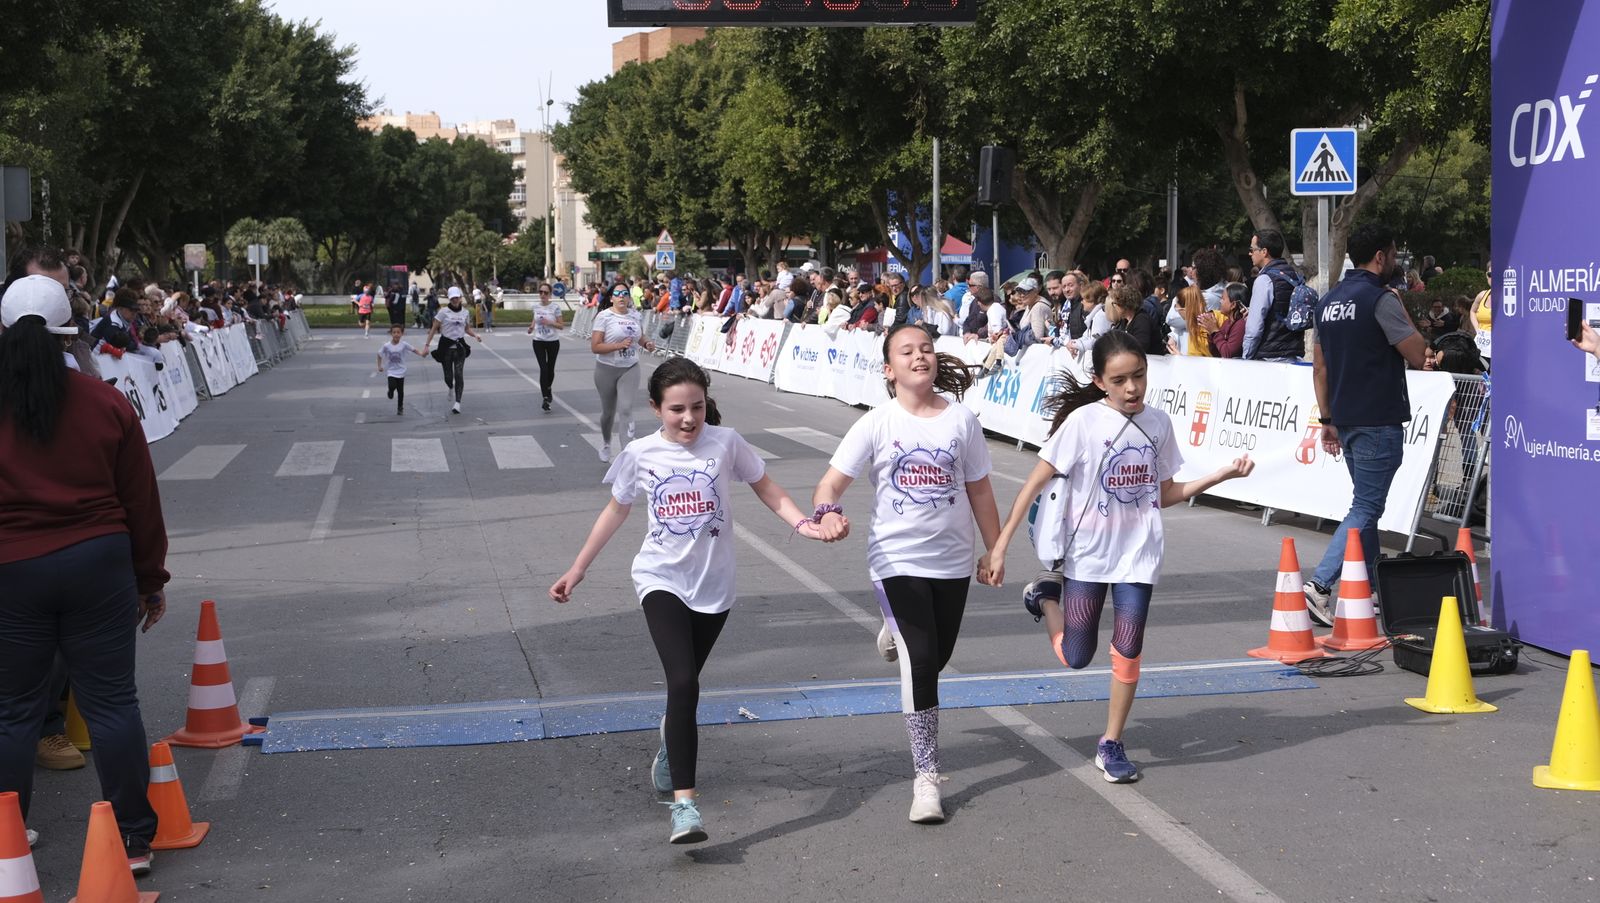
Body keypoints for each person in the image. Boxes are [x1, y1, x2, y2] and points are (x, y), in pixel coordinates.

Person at [549, 359, 844, 844]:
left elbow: (766, 488)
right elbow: (616, 511)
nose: (689, 419)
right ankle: (685, 807)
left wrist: (803, 524)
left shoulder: (726, 443)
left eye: (698, 407)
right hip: (660, 579)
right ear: (655, 408)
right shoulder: (641, 454)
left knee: (684, 691)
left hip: (715, 588)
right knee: (683, 682)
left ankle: (670, 747)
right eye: (677, 409)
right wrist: (577, 569)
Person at [983, 330, 1253, 784]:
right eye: (1121, 379)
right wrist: (1000, 545)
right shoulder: (1083, 423)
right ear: (1100, 380)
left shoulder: (1159, 423)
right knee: (1076, 656)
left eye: (1139, 377)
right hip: (1088, 556)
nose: (1132, 388)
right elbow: (1033, 483)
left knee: (1128, 649)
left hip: (1138, 557)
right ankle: (1046, 597)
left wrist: (1220, 475)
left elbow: (1164, 493)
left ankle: (1110, 743)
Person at [0, 275, 168, 872]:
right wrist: (151, 578)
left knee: (14, 709)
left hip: (13, 569)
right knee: (113, 702)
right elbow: (141, 500)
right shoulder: (105, 401)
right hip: (99, 564)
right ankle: (134, 837)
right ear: (70, 333)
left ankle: (7, 838)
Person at [810, 323, 1003, 825]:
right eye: (907, 351)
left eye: (927, 349)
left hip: (953, 561)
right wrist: (826, 512)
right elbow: (830, 482)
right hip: (895, 560)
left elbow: (980, 490)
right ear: (888, 368)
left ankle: (893, 631)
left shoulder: (962, 421)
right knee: (921, 664)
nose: (920, 356)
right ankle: (926, 778)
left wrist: (994, 549)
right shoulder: (877, 423)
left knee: (935, 657)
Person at [1301, 223, 1428, 625]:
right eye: (1392, 254)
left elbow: (1319, 367)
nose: (1394, 261)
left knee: (1365, 508)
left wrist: (1327, 419)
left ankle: (1373, 590)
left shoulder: (1328, 302)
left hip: (1346, 418)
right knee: (1367, 506)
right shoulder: (1380, 299)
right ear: (1380, 257)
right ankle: (1320, 586)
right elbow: (1417, 353)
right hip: (1378, 419)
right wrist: (1401, 306)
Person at [592, 286, 656, 462]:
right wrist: (617, 346)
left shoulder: (635, 315)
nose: (621, 297)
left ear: (629, 298)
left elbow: (640, 337)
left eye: (625, 294)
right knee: (608, 413)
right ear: (611, 298)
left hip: (630, 367)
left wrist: (648, 343)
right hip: (606, 369)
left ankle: (625, 455)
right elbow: (595, 346)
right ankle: (606, 442)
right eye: (617, 294)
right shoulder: (604, 316)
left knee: (626, 409)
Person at [1243, 230, 1307, 362]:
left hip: (1269, 358)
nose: (1249, 253)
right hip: (1293, 355)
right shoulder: (1294, 276)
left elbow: (1254, 329)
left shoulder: (1264, 280)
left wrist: (1246, 357)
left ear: (1264, 251)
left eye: (1252, 249)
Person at [420, 286, 483, 414]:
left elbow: (466, 329)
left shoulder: (465, 312)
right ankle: (450, 387)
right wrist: (427, 345)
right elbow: (433, 329)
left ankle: (457, 403)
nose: (455, 300)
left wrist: (475, 335)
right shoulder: (443, 312)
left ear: (460, 298)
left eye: (457, 297)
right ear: (449, 299)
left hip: (459, 347)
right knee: (448, 377)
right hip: (446, 348)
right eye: (453, 298)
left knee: (459, 375)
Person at [528, 284, 564, 413]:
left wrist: (550, 322)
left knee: (550, 369)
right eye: (541, 292)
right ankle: (545, 398)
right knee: (543, 369)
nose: (543, 295)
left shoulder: (555, 307)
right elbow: (535, 319)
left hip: (553, 342)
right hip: (538, 341)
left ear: (550, 294)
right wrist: (531, 327)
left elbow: (561, 326)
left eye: (545, 292)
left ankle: (548, 388)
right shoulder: (536, 307)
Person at [376, 324, 426, 416]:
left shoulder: (404, 345)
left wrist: (421, 353)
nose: (396, 334)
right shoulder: (387, 346)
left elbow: (414, 350)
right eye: (394, 332)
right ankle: (390, 391)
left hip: (401, 370)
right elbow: (379, 354)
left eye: (398, 332)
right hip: (391, 371)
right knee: (392, 385)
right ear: (391, 334)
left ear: (402, 334)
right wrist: (379, 366)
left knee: (400, 391)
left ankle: (400, 408)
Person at [1108, 285, 1165, 356]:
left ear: (1124, 304)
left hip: (1152, 362)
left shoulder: (1142, 320)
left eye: (1115, 304)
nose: (1114, 307)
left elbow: (1141, 346)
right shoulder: (1124, 320)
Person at [1205, 283, 1249, 358]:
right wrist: (1211, 333)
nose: (1220, 301)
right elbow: (1217, 353)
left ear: (1233, 305)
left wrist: (1215, 332)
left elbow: (1228, 354)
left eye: (1223, 299)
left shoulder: (1241, 324)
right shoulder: (1227, 323)